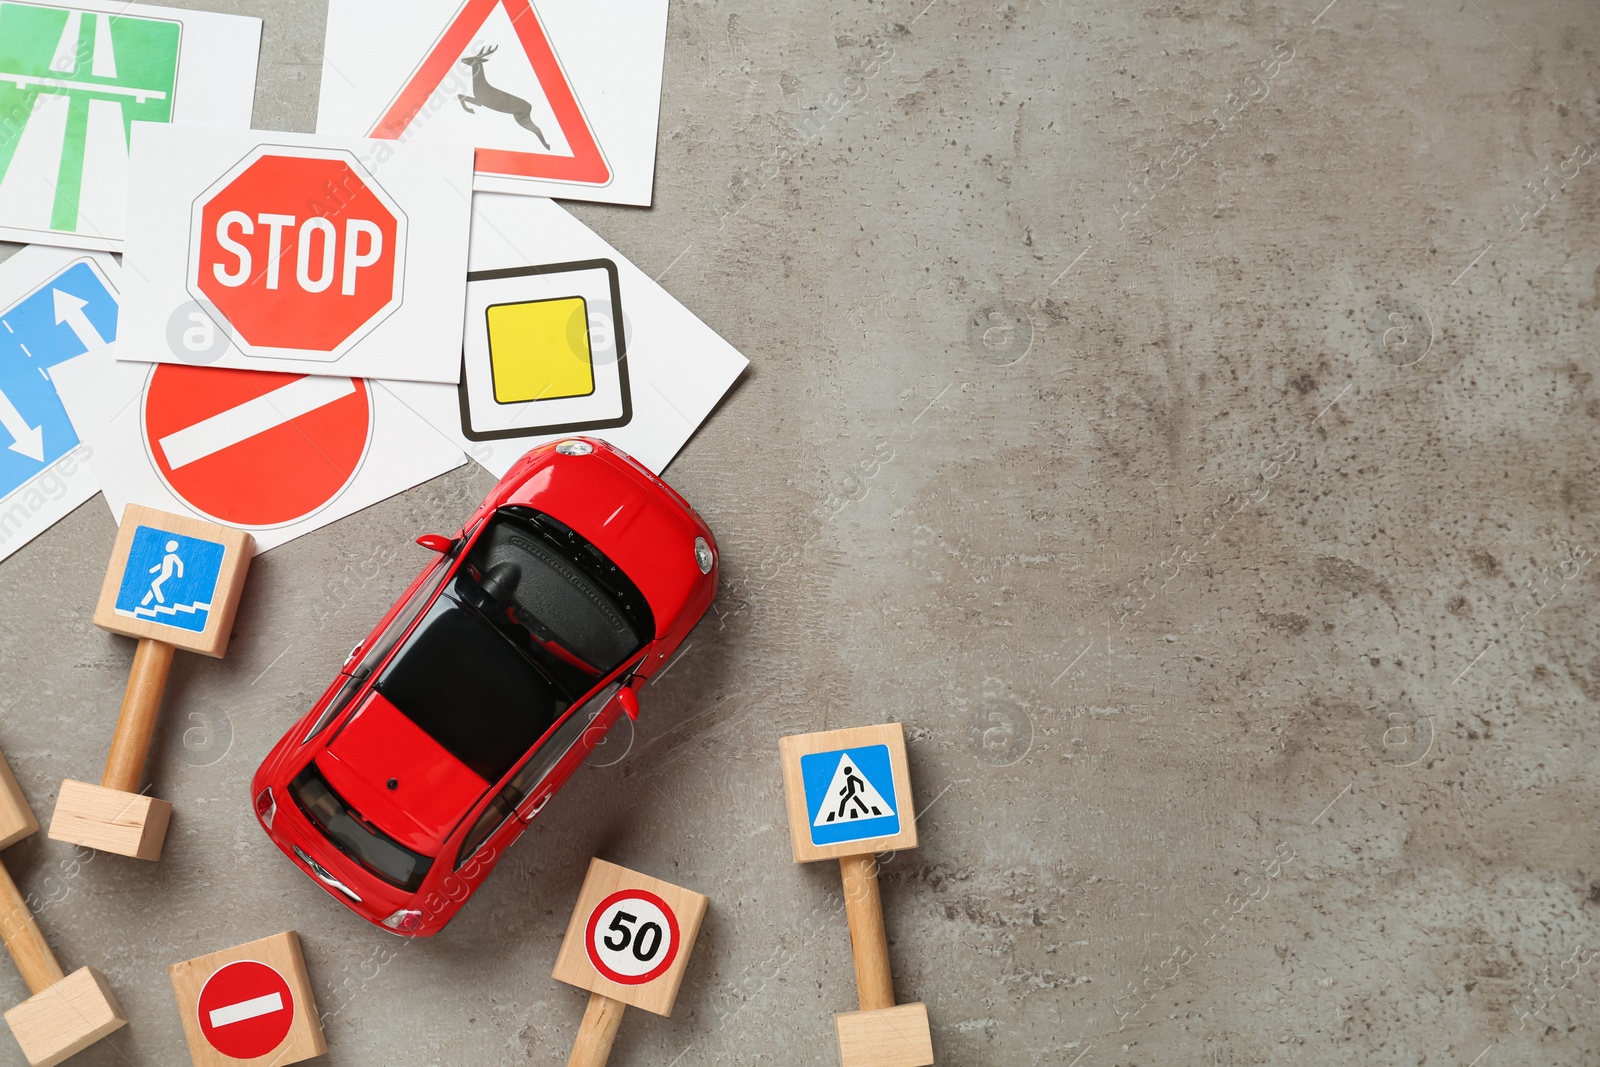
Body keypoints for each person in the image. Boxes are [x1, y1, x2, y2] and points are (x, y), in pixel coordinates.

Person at [141, 540, 183, 607]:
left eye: (170, 546)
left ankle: (160, 600)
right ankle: (145, 601)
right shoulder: (166, 557)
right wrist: (153, 570)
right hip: (163, 573)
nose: (167, 547)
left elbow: (180, 564)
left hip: (167, 574)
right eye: (168, 545)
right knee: (154, 585)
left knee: (154, 584)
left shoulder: (173, 556)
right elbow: (161, 565)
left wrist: (179, 574)